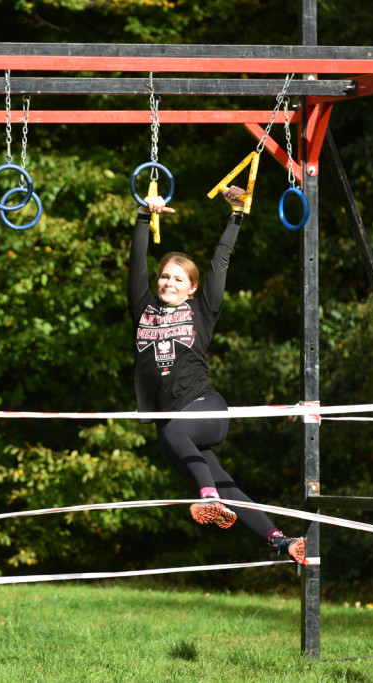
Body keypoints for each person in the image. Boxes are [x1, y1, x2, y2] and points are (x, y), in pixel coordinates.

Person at [129, 188, 305, 564]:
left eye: (178, 279)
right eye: (164, 277)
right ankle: (279, 540)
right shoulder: (142, 308)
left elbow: (220, 262)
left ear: (192, 288)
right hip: (170, 424)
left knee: (179, 435)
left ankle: (207, 498)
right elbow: (136, 264)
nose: (168, 283)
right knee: (221, 480)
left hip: (205, 408)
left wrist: (237, 215)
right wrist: (145, 216)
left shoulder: (202, 310)